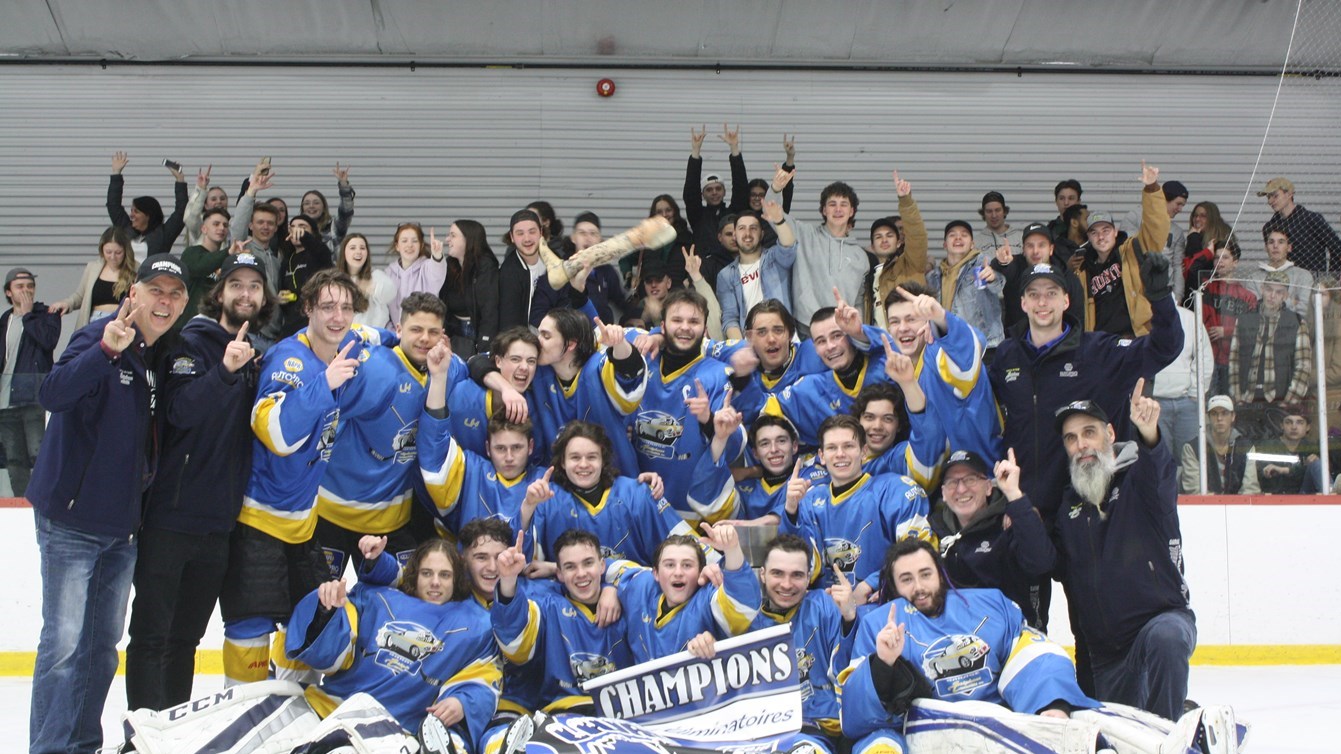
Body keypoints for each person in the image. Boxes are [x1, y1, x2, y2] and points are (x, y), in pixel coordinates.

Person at [27, 253, 189, 754]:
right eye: (155, 290)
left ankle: (81, 744)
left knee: (100, 651)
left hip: (122, 531)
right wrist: (103, 351)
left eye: (175, 294)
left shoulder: (159, 356)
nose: (164, 302)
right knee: (64, 648)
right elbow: (51, 394)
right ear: (132, 293)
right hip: (72, 522)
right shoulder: (100, 335)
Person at [218, 269, 383, 687]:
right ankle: (243, 712)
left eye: (346, 307)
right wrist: (323, 385)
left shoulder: (346, 343)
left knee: (313, 624)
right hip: (258, 522)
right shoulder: (289, 360)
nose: (338, 316)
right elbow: (275, 434)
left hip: (302, 526)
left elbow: (373, 335)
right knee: (250, 627)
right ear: (307, 308)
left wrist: (397, 338)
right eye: (327, 307)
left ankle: (291, 711)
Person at [126, 253, 272, 711]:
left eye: (254, 286)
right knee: (152, 636)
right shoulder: (188, 344)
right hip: (170, 520)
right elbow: (180, 412)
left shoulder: (255, 356)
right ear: (219, 292)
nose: (245, 294)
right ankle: (144, 733)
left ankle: (173, 730)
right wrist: (224, 371)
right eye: (236, 284)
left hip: (219, 527)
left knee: (185, 640)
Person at [839, 538, 1096, 754]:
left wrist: (1052, 704)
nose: (919, 587)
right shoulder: (878, 626)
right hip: (925, 738)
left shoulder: (991, 604)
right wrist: (883, 664)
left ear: (940, 573)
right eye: (906, 579)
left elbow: (1035, 654)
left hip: (999, 730)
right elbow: (854, 716)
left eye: (925, 574)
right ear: (894, 586)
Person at [1052, 385, 1196, 720]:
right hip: (1108, 655)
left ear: (1111, 434)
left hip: (1159, 622)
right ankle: (1180, 714)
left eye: (1089, 432)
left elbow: (1160, 474)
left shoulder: (1139, 480)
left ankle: (1168, 729)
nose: (1081, 444)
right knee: (1122, 736)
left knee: (1167, 639)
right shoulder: (1068, 506)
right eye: (1071, 438)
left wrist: (1149, 434)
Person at [285, 539, 500, 750]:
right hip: (330, 706)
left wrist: (462, 703)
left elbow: (483, 678)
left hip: (394, 730)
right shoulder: (376, 598)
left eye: (445, 575)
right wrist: (326, 610)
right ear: (414, 574)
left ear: (457, 579)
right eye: (427, 573)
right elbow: (328, 655)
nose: (435, 582)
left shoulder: (477, 625)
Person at [315, 293, 468, 576]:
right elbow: (320, 409)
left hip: (390, 521)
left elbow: (476, 368)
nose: (424, 338)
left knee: (407, 595)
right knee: (322, 597)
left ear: (443, 336)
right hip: (332, 513)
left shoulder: (448, 368)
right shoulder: (373, 368)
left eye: (433, 332)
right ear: (398, 329)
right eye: (416, 329)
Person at [687, 534, 856, 753]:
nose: (786, 584)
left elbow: (847, 671)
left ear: (808, 578)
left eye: (797, 575)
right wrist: (703, 645)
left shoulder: (825, 607)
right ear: (763, 574)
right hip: (751, 731)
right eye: (778, 573)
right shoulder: (742, 613)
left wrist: (849, 619)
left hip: (814, 729)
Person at [492, 528, 632, 714]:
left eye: (588, 563)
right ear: (559, 573)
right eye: (570, 567)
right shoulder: (548, 605)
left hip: (625, 712)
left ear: (602, 566)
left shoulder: (629, 599)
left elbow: (651, 574)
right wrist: (508, 580)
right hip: (565, 713)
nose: (581, 573)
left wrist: (615, 586)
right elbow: (514, 644)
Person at [780, 414, 930, 588]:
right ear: (821, 456)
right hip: (826, 601)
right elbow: (798, 565)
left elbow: (920, 553)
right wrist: (791, 510)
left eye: (848, 446)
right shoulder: (809, 501)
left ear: (864, 452)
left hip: (881, 600)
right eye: (832, 448)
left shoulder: (895, 491)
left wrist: (874, 583)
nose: (840, 454)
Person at [522, 420, 697, 566]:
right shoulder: (547, 500)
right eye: (575, 457)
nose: (583, 465)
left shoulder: (636, 494)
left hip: (633, 592)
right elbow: (525, 561)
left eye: (592, 457)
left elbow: (685, 547)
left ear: (603, 460)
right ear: (562, 462)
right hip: (571, 595)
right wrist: (528, 506)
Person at [929, 449, 1054, 629]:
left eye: (970, 479)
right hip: (957, 638)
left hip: (1015, 637)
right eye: (952, 482)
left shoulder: (1012, 523)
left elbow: (1042, 562)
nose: (961, 489)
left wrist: (1015, 496)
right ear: (943, 493)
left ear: (988, 487)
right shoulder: (933, 531)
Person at [883, 281, 1004, 464]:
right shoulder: (897, 364)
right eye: (895, 322)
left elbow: (972, 344)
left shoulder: (940, 352)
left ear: (927, 321)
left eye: (911, 319)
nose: (902, 328)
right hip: (941, 475)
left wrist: (940, 318)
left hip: (983, 472)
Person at [607, 523, 761, 663]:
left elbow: (744, 605)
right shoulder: (641, 585)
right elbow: (599, 567)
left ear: (700, 572)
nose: (678, 572)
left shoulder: (708, 600)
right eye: (669, 565)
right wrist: (609, 589)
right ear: (656, 573)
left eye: (687, 565)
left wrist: (732, 549)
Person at [1074, 163, 1172, 337]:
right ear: (1088, 237)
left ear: (1115, 232)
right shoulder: (1083, 270)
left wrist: (1152, 188)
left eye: (1105, 230)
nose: (1100, 237)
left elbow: (1156, 227)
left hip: (1136, 338)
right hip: (1103, 343)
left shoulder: (1134, 250)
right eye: (1094, 232)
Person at [779, 172, 869, 333]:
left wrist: (858, 331)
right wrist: (775, 188)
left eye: (844, 204)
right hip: (806, 329)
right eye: (832, 204)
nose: (838, 209)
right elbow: (773, 213)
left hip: (843, 331)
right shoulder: (804, 234)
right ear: (824, 210)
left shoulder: (861, 256)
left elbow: (858, 301)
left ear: (852, 211)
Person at [1227, 271, 1312, 439]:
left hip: (1279, 402)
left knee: (1274, 449)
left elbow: (1303, 365)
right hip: (1247, 401)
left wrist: (1289, 401)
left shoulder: (1296, 322)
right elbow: (1234, 360)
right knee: (1246, 448)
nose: (1272, 296)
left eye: (1279, 292)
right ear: (1262, 289)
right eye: (1269, 290)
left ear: (1285, 296)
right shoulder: (1244, 319)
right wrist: (1237, 397)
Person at [0, 268, 59, 497]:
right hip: (5, 401)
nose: (26, 291)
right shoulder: (4, 320)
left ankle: (41, 502)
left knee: (39, 453)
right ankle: (20, 504)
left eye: (30, 286)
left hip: (33, 398)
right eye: (20, 287)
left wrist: (28, 315)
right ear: (8, 292)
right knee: (14, 458)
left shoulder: (47, 315)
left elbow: (48, 341)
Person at [529, 213, 627, 331]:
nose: (588, 238)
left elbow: (622, 303)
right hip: (567, 336)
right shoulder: (559, 270)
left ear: (600, 240)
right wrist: (556, 332)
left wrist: (639, 313)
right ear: (573, 238)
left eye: (593, 233)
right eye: (582, 233)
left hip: (601, 336)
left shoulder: (606, 272)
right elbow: (537, 313)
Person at [715, 203, 797, 339]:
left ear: (762, 234)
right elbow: (730, 318)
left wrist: (779, 221)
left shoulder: (774, 258)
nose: (747, 234)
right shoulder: (725, 275)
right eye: (742, 228)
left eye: (753, 228)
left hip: (784, 339)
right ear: (734, 235)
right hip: (751, 343)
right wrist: (742, 347)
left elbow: (788, 247)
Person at [683, 124, 751, 286]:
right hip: (704, 273)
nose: (714, 193)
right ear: (702, 194)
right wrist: (695, 152)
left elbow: (741, 188)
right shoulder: (698, 216)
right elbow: (690, 193)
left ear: (724, 191)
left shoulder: (733, 214)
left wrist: (734, 150)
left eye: (718, 189)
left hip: (734, 271)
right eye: (709, 190)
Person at [990, 222, 1084, 333]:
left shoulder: (1066, 276)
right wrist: (1002, 263)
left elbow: (1076, 321)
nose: (1035, 251)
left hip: (1058, 341)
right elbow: (1002, 269)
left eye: (1041, 245)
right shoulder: (1015, 266)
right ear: (1023, 250)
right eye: (1030, 246)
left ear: (1051, 249)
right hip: (1017, 341)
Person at [927, 219, 1004, 352]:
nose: (958, 238)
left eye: (964, 235)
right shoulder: (933, 277)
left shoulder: (981, 264)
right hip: (948, 346)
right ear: (945, 244)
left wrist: (992, 278)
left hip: (984, 346)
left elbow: (999, 284)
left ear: (972, 244)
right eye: (952, 235)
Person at [1152, 302, 1214, 456]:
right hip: (1154, 403)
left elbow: (1204, 356)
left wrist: (1195, 392)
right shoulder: (1143, 318)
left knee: (1190, 456)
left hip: (1187, 403)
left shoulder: (1189, 318)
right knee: (1160, 457)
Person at [1199, 238, 1258, 396]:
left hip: (1234, 361)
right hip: (1208, 358)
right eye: (1216, 258)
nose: (1220, 262)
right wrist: (1206, 252)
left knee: (1230, 403)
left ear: (1235, 263)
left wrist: (1226, 331)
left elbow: (1251, 329)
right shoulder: (1205, 288)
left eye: (1225, 257)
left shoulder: (1247, 297)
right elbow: (1192, 269)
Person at [49, 226, 138, 327]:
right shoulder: (92, 268)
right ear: (102, 250)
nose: (112, 257)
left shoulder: (136, 269)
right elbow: (80, 296)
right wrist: (67, 303)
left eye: (118, 253)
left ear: (126, 251)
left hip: (121, 323)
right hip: (94, 323)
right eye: (108, 252)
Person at [436, 219, 500, 356]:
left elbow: (489, 309)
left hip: (474, 331)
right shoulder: (451, 265)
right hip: (453, 330)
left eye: (453, 235)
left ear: (468, 239)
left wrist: (485, 343)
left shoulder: (485, 267)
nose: (447, 239)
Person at [106, 150, 188, 257]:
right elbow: (113, 205)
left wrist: (180, 180)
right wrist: (116, 173)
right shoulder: (125, 228)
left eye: (136, 211)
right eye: (131, 211)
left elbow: (182, 211)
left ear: (148, 215)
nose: (131, 215)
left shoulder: (163, 235)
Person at [1258, 176, 1341, 277]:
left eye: (1275, 196)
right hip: (1283, 281)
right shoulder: (1270, 227)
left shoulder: (1311, 219)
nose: (1270, 201)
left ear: (1289, 194)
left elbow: (1337, 248)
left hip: (1312, 280)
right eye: (1268, 197)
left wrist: (1332, 278)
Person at [1121, 180, 1189, 302]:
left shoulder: (1177, 232)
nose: (1180, 209)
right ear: (1165, 198)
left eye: (1182, 205)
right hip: (1136, 289)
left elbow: (1177, 266)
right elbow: (1125, 248)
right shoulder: (1135, 217)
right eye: (1178, 204)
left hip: (1164, 290)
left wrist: (1178, 296)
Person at [1180, 395, 1258, 495]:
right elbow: (1195, 491)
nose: (1219, 418)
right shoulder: (1192, 448)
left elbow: (1250, 490)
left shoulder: (1246, 447)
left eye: (1224, 413)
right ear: (1208, 417)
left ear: (1233, 416)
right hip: (1205, 504)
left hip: (1238, 504)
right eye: (1214, 414)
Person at [276, 215, 334, 336]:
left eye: (302, 227)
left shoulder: (318, 254)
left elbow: (322, 252)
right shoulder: (286, 260)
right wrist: (280, 298)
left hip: (315, 324)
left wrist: (304, 236)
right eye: (292, 228)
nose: (296, 231)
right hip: (291, 327)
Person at [178, 207, 233, 325]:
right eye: (216, 224)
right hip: (187, 324)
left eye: (225, 225)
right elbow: (199, 267)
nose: (221, 228)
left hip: (214, 323)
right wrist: (228, 252)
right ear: (204, 229)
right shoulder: (191, 253)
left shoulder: (226, 259)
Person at [1242, 226, 1314, 316]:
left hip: (1293, 324)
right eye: (1271, 242)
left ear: (1289, 247)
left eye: (1281, 242)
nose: (1275, 246)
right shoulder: (1253, 278)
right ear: (1266, 247)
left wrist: (1268, 301)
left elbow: (1304, 309)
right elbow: (1253, 309)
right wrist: (1292, 302)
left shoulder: (1303, 276)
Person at [385, 222, 447, 323]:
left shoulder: (427, 268)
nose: (409, 245)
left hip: (423, 329)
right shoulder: (388, 273)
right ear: (397, 246)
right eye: (404, 241)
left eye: (414, 241)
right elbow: (384, 310)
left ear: (421, 245)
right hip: (395, 331)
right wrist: (391, 331)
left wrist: (437, 256)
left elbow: (437, 273)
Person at [1247, 407, 1317, 495]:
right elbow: (1260, 473)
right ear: (1281, 425)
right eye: (1288, 422)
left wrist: (1285, 470)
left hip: (1305, 499)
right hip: (1273, 498)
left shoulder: (1311, 448)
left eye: (1299, 422)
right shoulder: (1268, 446)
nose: (1294, 427)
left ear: (1308, 427)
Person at [498, 209, 548, 330]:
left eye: (532, 232)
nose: (527, 239)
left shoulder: (551, 259)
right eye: (520, 233)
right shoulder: (509, 273)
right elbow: (509, 323)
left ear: (541, 232)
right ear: (512, 237)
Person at [337, 232, 396, 328]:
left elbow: (390, 292)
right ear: (344, 252)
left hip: (372, 335)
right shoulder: (335, 280)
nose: (358, 252)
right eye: (352, 248)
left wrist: (371, 287)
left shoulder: (376, 275)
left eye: (362, 248)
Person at [299, 163, 356, 250]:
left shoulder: (334, 228)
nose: (311, 206)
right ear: (302, 208)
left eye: (316, 203)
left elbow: (346, 212)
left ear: (324, 208)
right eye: (307, 203)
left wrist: (344, 185)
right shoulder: (295, 230)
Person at [181, 165, 229, 247]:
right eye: (213, 199)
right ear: (205, 205)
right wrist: (201, 189)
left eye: (222, 198)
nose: (219, 201)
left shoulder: (230, 225)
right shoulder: (200, 223)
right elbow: (191, 218)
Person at [974, 190, 1022, 256]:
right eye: (989, 211)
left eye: (997, 210)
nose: (994, 215)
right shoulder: (976, 243)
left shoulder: (1021, 239)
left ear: (1004, 211)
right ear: (983, 214)